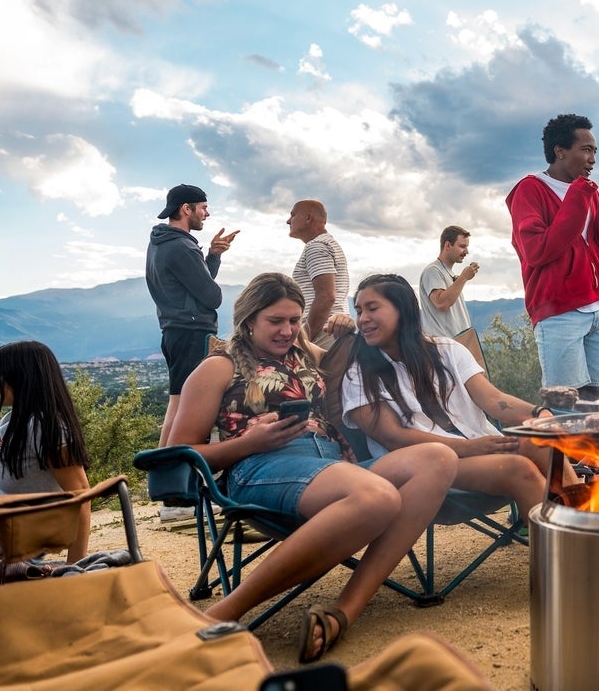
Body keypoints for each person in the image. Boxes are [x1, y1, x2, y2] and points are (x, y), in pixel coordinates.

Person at [168, 272, 457, 663]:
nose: (287, 330)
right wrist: (248, 443)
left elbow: (356, 359)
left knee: (438, 459)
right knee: (375, 497)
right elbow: (177, 451)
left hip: (332, 464)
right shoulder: (218, 368)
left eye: (294, 320)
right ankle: (224, 613)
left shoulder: (304, 354)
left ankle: (342, 612)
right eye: (276, 321)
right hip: (262, 467)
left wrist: (348, 329)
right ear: (249, 319)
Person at [340, 274, 548, 519]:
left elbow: (493, 400)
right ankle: (558, 553)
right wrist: (468, 448)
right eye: (359, 311)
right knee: (517, 468)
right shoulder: (359, 376)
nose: (362, 319)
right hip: (425, 471)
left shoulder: (447, 350)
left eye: (372, 309)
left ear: (403, 310)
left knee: (544, 444)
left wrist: (539, 415)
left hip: (480, 450)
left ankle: (587, 533)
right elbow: (393, 438)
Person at [506, 113, 599, 402]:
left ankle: (595, 448)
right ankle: (563, 449)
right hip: (559, 310)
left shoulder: (586, 191)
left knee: (594, 396)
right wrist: (579, 197)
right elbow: (538, 250)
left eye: (594, 151)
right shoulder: (530, 190)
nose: (592, 159)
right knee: (565, 400)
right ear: (560, 151)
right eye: (585, 150)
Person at [146, 183, 238, 448]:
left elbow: (196, 284)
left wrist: (213, 256)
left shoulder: (160, 244)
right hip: (192, 332)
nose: (206, 214)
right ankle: (178, 473)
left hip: (175, 331)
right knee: (191, 407)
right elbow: (212, 297)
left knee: (177, 402)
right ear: (186, 209)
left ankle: (164, 471)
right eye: (203, 208)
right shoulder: (182, 248)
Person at [0, 341, 91, 562]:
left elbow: (81, 497)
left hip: (7, 540)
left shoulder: (46, 428)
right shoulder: (17, 419)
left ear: (20, 378)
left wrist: (74, 566)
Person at [287, 199, 351, 350]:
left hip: (323, 331)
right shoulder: (327, 244)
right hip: (331, 328)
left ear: (308, 218)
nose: (288, 221)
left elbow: (326, 295)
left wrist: (304, 337)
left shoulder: (316, 246)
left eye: (293, 215)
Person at [419, 226, 479, 339]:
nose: (466, 251)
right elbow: (441, 303)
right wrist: (464, 277)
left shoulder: (448, 273)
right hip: (443, 347)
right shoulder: (433, 271)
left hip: (456, 346)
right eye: (462, 246)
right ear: (447, 245)